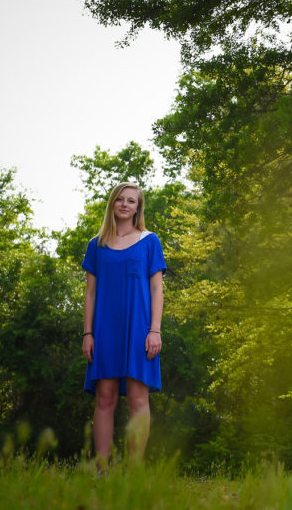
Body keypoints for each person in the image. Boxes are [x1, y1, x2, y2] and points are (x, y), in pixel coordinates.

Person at [81, 181, 166, 467]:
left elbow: (157, 289)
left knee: (138, 400)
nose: (125, 204)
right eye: (120, 199)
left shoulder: (149, 240)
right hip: (105, 329)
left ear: (137, 207)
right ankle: (101, 469)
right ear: (112, 204)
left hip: (140, 327)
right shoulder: (97, 245)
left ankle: (134, 471)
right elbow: (90, 292)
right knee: (104, 397)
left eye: (131, 201)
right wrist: (88, 333)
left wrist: (155, 330)